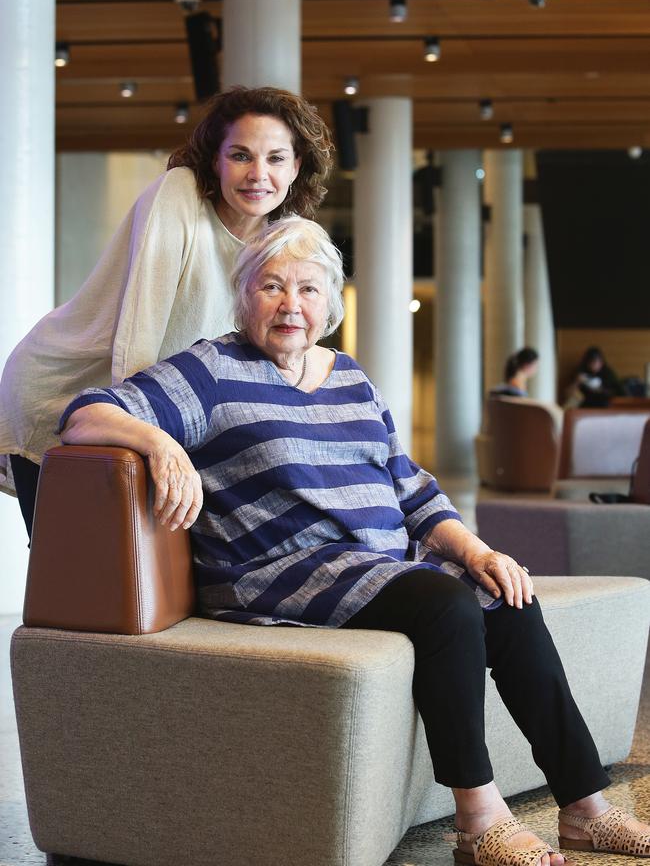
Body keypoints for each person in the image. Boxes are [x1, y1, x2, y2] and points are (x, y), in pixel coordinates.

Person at [60, 216, 650, 866]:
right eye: (272, 286)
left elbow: (409, 485)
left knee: (504, 596)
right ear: (243, 295)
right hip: (275, 569)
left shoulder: (349, 377)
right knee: (445, 606)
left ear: (331, 302)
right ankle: (478, 818)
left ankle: (585, 809)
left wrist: (478, 551)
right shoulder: (213, 369)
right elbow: (85, 413)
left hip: (373, 566)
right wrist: (160, 443)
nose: (291, 305)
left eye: (308, 289)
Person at [0, 86, 332, 540]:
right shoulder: (180, 195)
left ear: (296, 166)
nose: (258, 174)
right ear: (214, 160)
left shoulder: (279, 239)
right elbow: (139, 337)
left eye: (275, 159)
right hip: (72, 387)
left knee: (128, 577)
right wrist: (134, 431)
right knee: (74, 569)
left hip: (151, 404)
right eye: (240, 155)